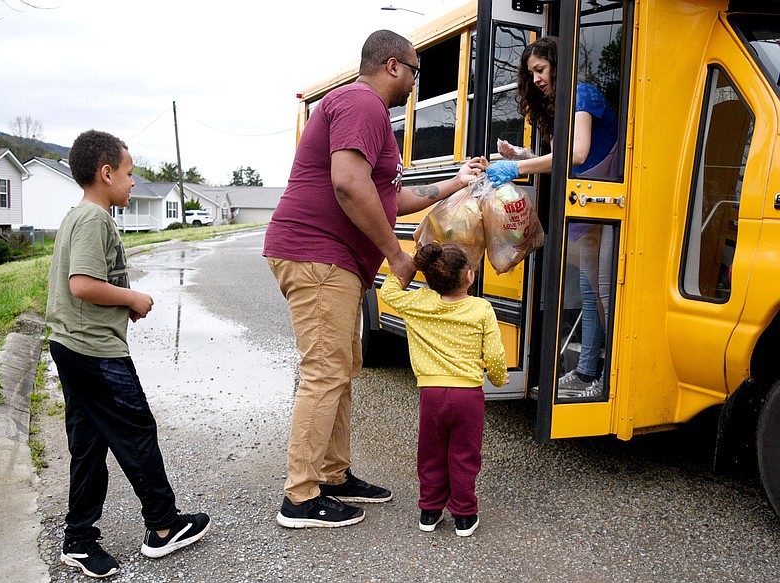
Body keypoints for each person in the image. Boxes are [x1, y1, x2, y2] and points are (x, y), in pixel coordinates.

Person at [263, 29, 483, 529]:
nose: (415, 82)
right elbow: (347, 183)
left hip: (331, 260)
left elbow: (388, 196)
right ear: (392, 66)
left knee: (342, 366)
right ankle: (299, 496)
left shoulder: (370, 115)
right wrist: (396, 256)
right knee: (325, 370)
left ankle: (333, 476)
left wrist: (453, 185)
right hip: (318, 256)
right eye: (415, 71)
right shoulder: (363, 104)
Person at [46, 130, 210, 578]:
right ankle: (163, 527)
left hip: (73, 345)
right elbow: (81, 283)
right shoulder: (95, 220)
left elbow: (79, 288)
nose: (133, 182)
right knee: (136, 429)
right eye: (129, 173)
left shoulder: (77, 216)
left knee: (89, 443)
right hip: (94, 351)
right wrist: (130, 298)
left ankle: (78, 540)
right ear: (106, 174)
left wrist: (119, 303)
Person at [486, 35, 617, 398]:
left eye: (541, 69)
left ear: (558, 64)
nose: (537, 78)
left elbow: (576, 154)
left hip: (609, 202)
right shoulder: (559, 105)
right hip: (589, 203)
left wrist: (518, 166)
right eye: (531, 73)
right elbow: (566, 159)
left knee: (605, 289)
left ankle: (612, 377)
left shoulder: (582, 94)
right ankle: (588, 371)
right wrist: (524, 154)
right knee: (592, 292)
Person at [379, 242, 508, 537]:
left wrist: (411, 264)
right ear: (470, 277)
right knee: (465, 455)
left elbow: (388, 292)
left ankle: (429, 511)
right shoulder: (481, 309)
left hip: (432, 394)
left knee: (431, 453)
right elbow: (496, 357)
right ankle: (464, 515)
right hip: (468, 396)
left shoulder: (419, 302)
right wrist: (499, 380)